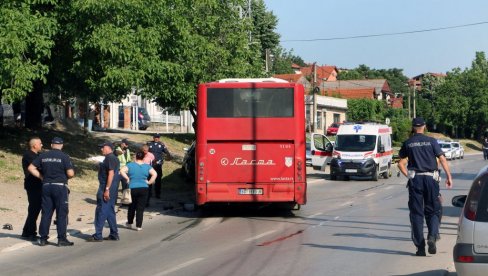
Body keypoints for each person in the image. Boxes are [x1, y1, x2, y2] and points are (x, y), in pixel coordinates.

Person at [398, 117, 453, 257]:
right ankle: (432, 237)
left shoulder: (408, 143)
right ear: (424, 126)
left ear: (412, 127)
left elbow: (400, 163)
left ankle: (420, 248)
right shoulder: (432, 141)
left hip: (415, 179)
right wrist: (449, 176)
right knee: (433, 211)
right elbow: (442, 158)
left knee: (416, 214)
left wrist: (409, 176)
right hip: (431, 179)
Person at [28, 137, 75, 246]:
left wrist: (41, 177)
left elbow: (31, 168)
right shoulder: (64, 156)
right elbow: (70, 173)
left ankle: (43, 238)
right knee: (61, 213)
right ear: (62, 145)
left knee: (46, 213)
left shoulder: (43, 156)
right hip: (59, 187)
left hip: (46, 186)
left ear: (51, 145)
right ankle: (61, 238)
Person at [88, 142, 120, 242]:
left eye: (102, 147)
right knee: (110, 211)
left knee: (101, 210)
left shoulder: (110, 158)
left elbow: (110, 174)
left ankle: (98, 235)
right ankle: (114, 234)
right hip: (112, 188)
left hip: (106, 187)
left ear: (108, 148)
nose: (101, 149)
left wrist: (106, 190)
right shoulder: (112, 158)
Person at [119, 151, 157, 231]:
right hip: (144, 188)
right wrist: (149, 182)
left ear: (136, 156)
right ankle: (139, 226)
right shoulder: (147, 166)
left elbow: (122, 170)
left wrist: (127, 178)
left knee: (131, 206)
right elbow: (155, 174)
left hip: (133, 187)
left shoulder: (130, 165)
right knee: (140, 208)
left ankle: (129, 223)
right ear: (143, 157)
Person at [21, 137, 43, 240]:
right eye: (40, 143)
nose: (42, 145)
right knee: (34, 208)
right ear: (34, 145)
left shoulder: (37, 155)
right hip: (32, 185)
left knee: (35, 208)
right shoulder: (29, 155)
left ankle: (26, 231)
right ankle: (31, 233)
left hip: (38, 185)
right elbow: (39, 167)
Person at [147, 133, 171, 199]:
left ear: (159, 138)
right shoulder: (149, 144)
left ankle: (157, 193)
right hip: (150, 164)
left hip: (158, 165)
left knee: (158, 179)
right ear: (153, 137)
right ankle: (149, 193)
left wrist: (168, 157)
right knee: (149, 178)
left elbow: (167, 153)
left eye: (158, 137)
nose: (156, 138)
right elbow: (145, 152)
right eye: (155, 137)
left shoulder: (161, 144)